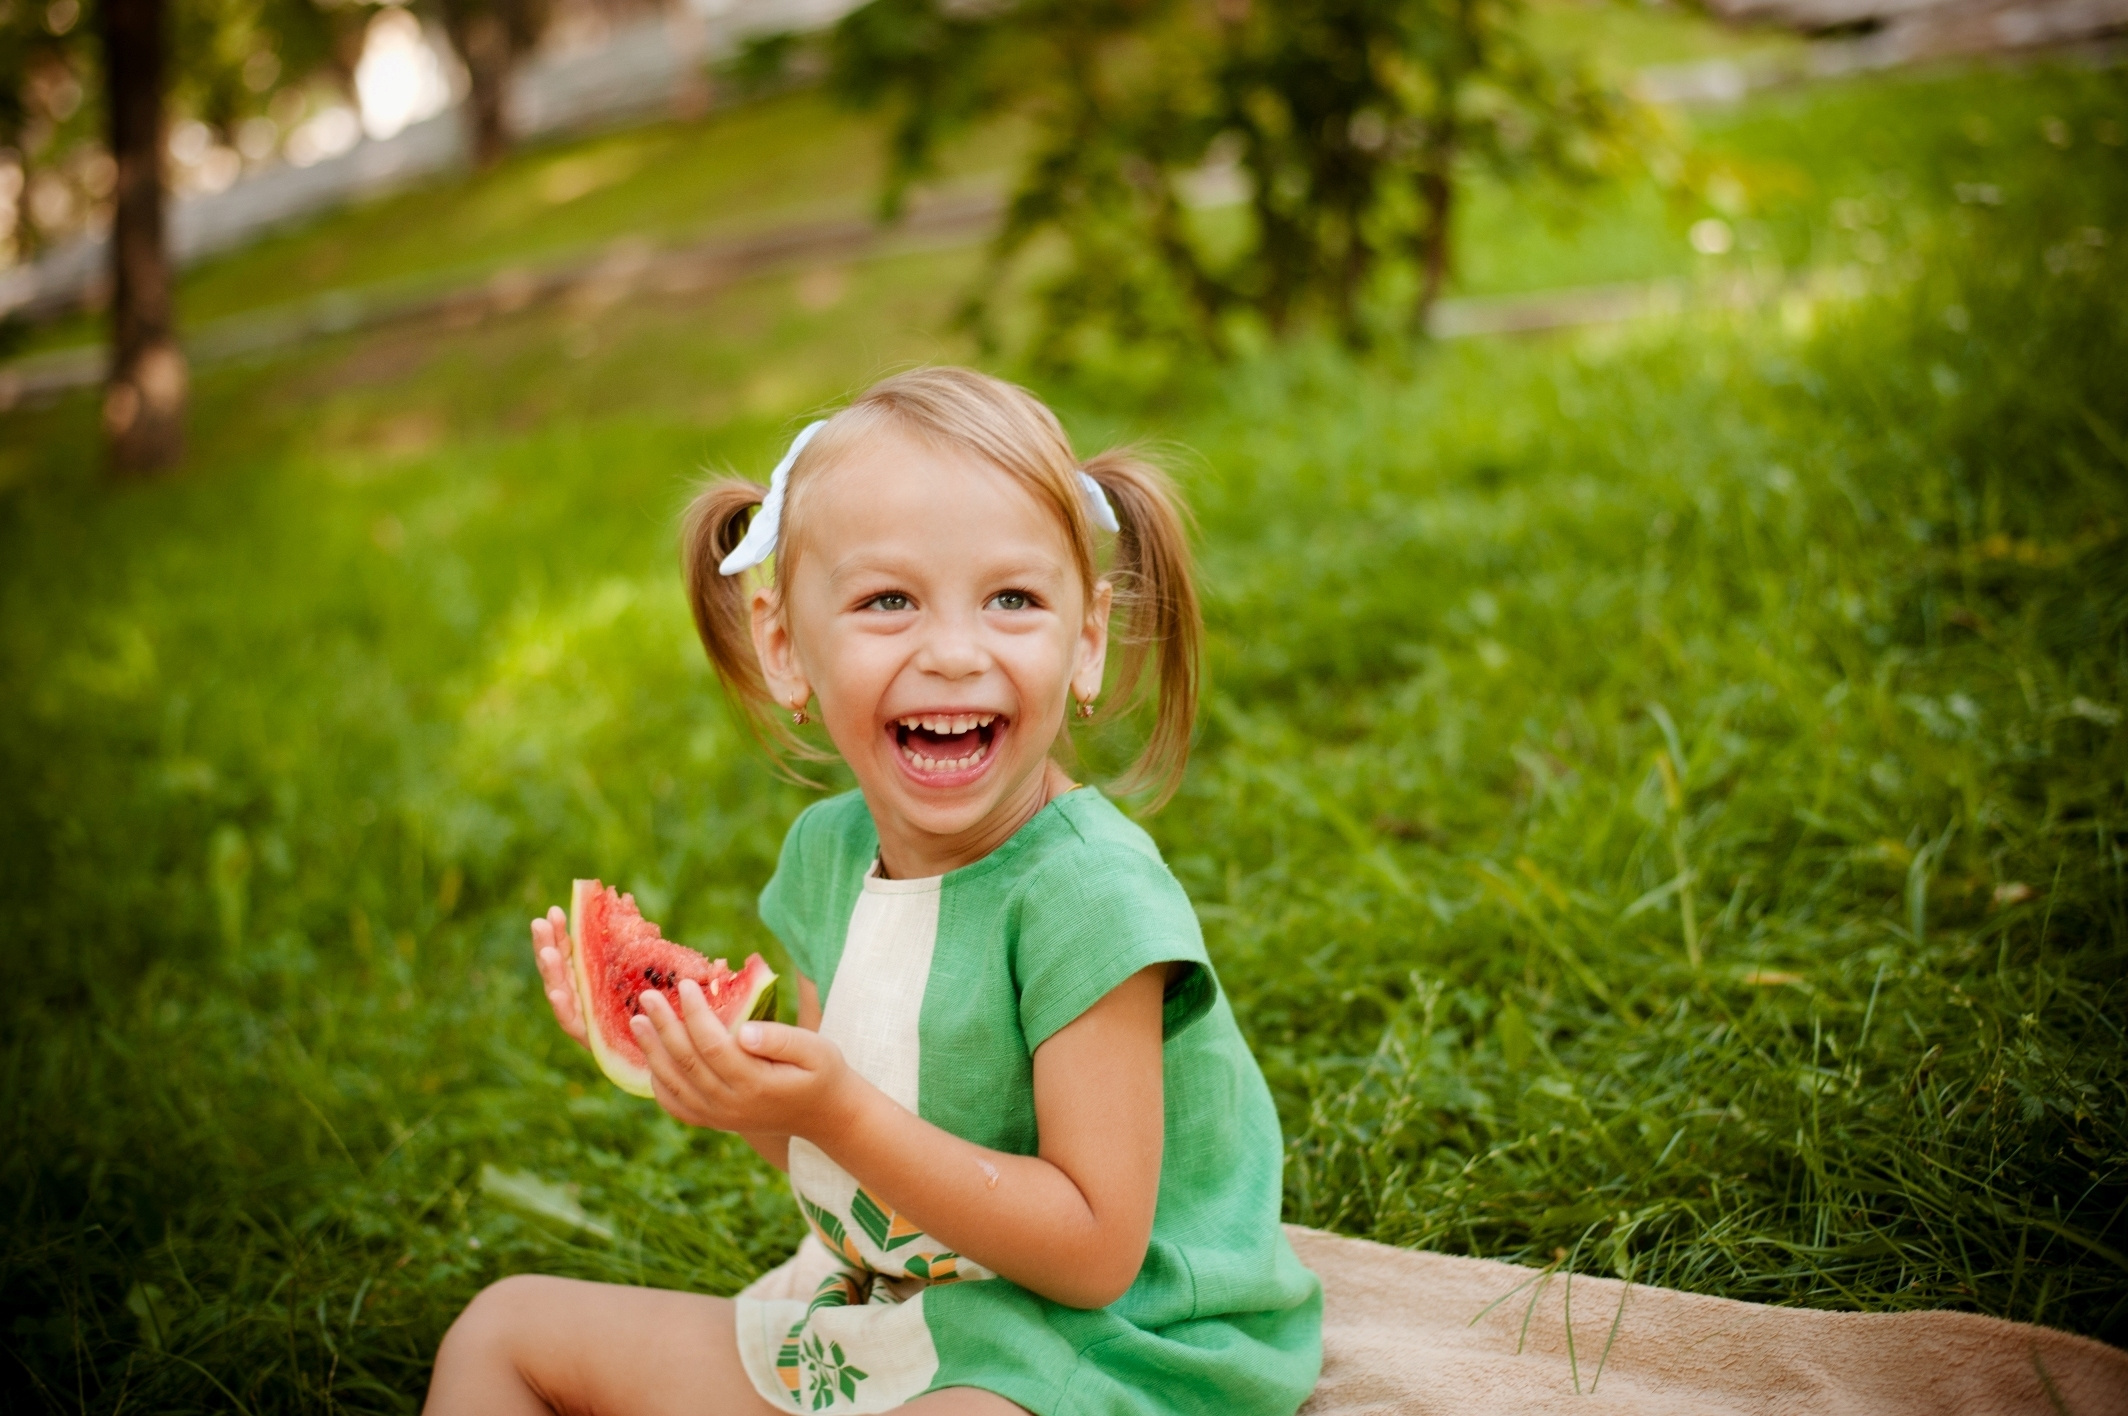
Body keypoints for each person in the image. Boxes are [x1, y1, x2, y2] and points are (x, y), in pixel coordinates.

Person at [424, 367, 1323, 1416]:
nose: (951, 652)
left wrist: (835, 1110)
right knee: (505, 1332)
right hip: (912, 1304)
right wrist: (711, 1079)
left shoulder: (1090, 897)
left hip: (1118, 1342)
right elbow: (840, 1162)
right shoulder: (826, 856)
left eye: (1014, 600)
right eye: (887, 601)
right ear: (782, 646)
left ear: (1085, 642)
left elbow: (1094, 1252)